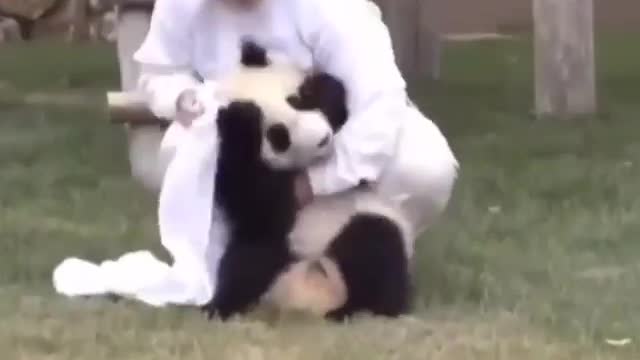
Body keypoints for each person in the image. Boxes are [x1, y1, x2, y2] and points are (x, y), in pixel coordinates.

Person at [132, 0, 459, 236]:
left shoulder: (330, 8)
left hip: (332, 135)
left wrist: (315, 183)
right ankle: (235, 250)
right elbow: (160, 72)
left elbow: (379, 102)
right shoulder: (179, 5)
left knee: (424, 168)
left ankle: (365, 245)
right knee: (175, 155)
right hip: (244, 148)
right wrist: (182, 98)